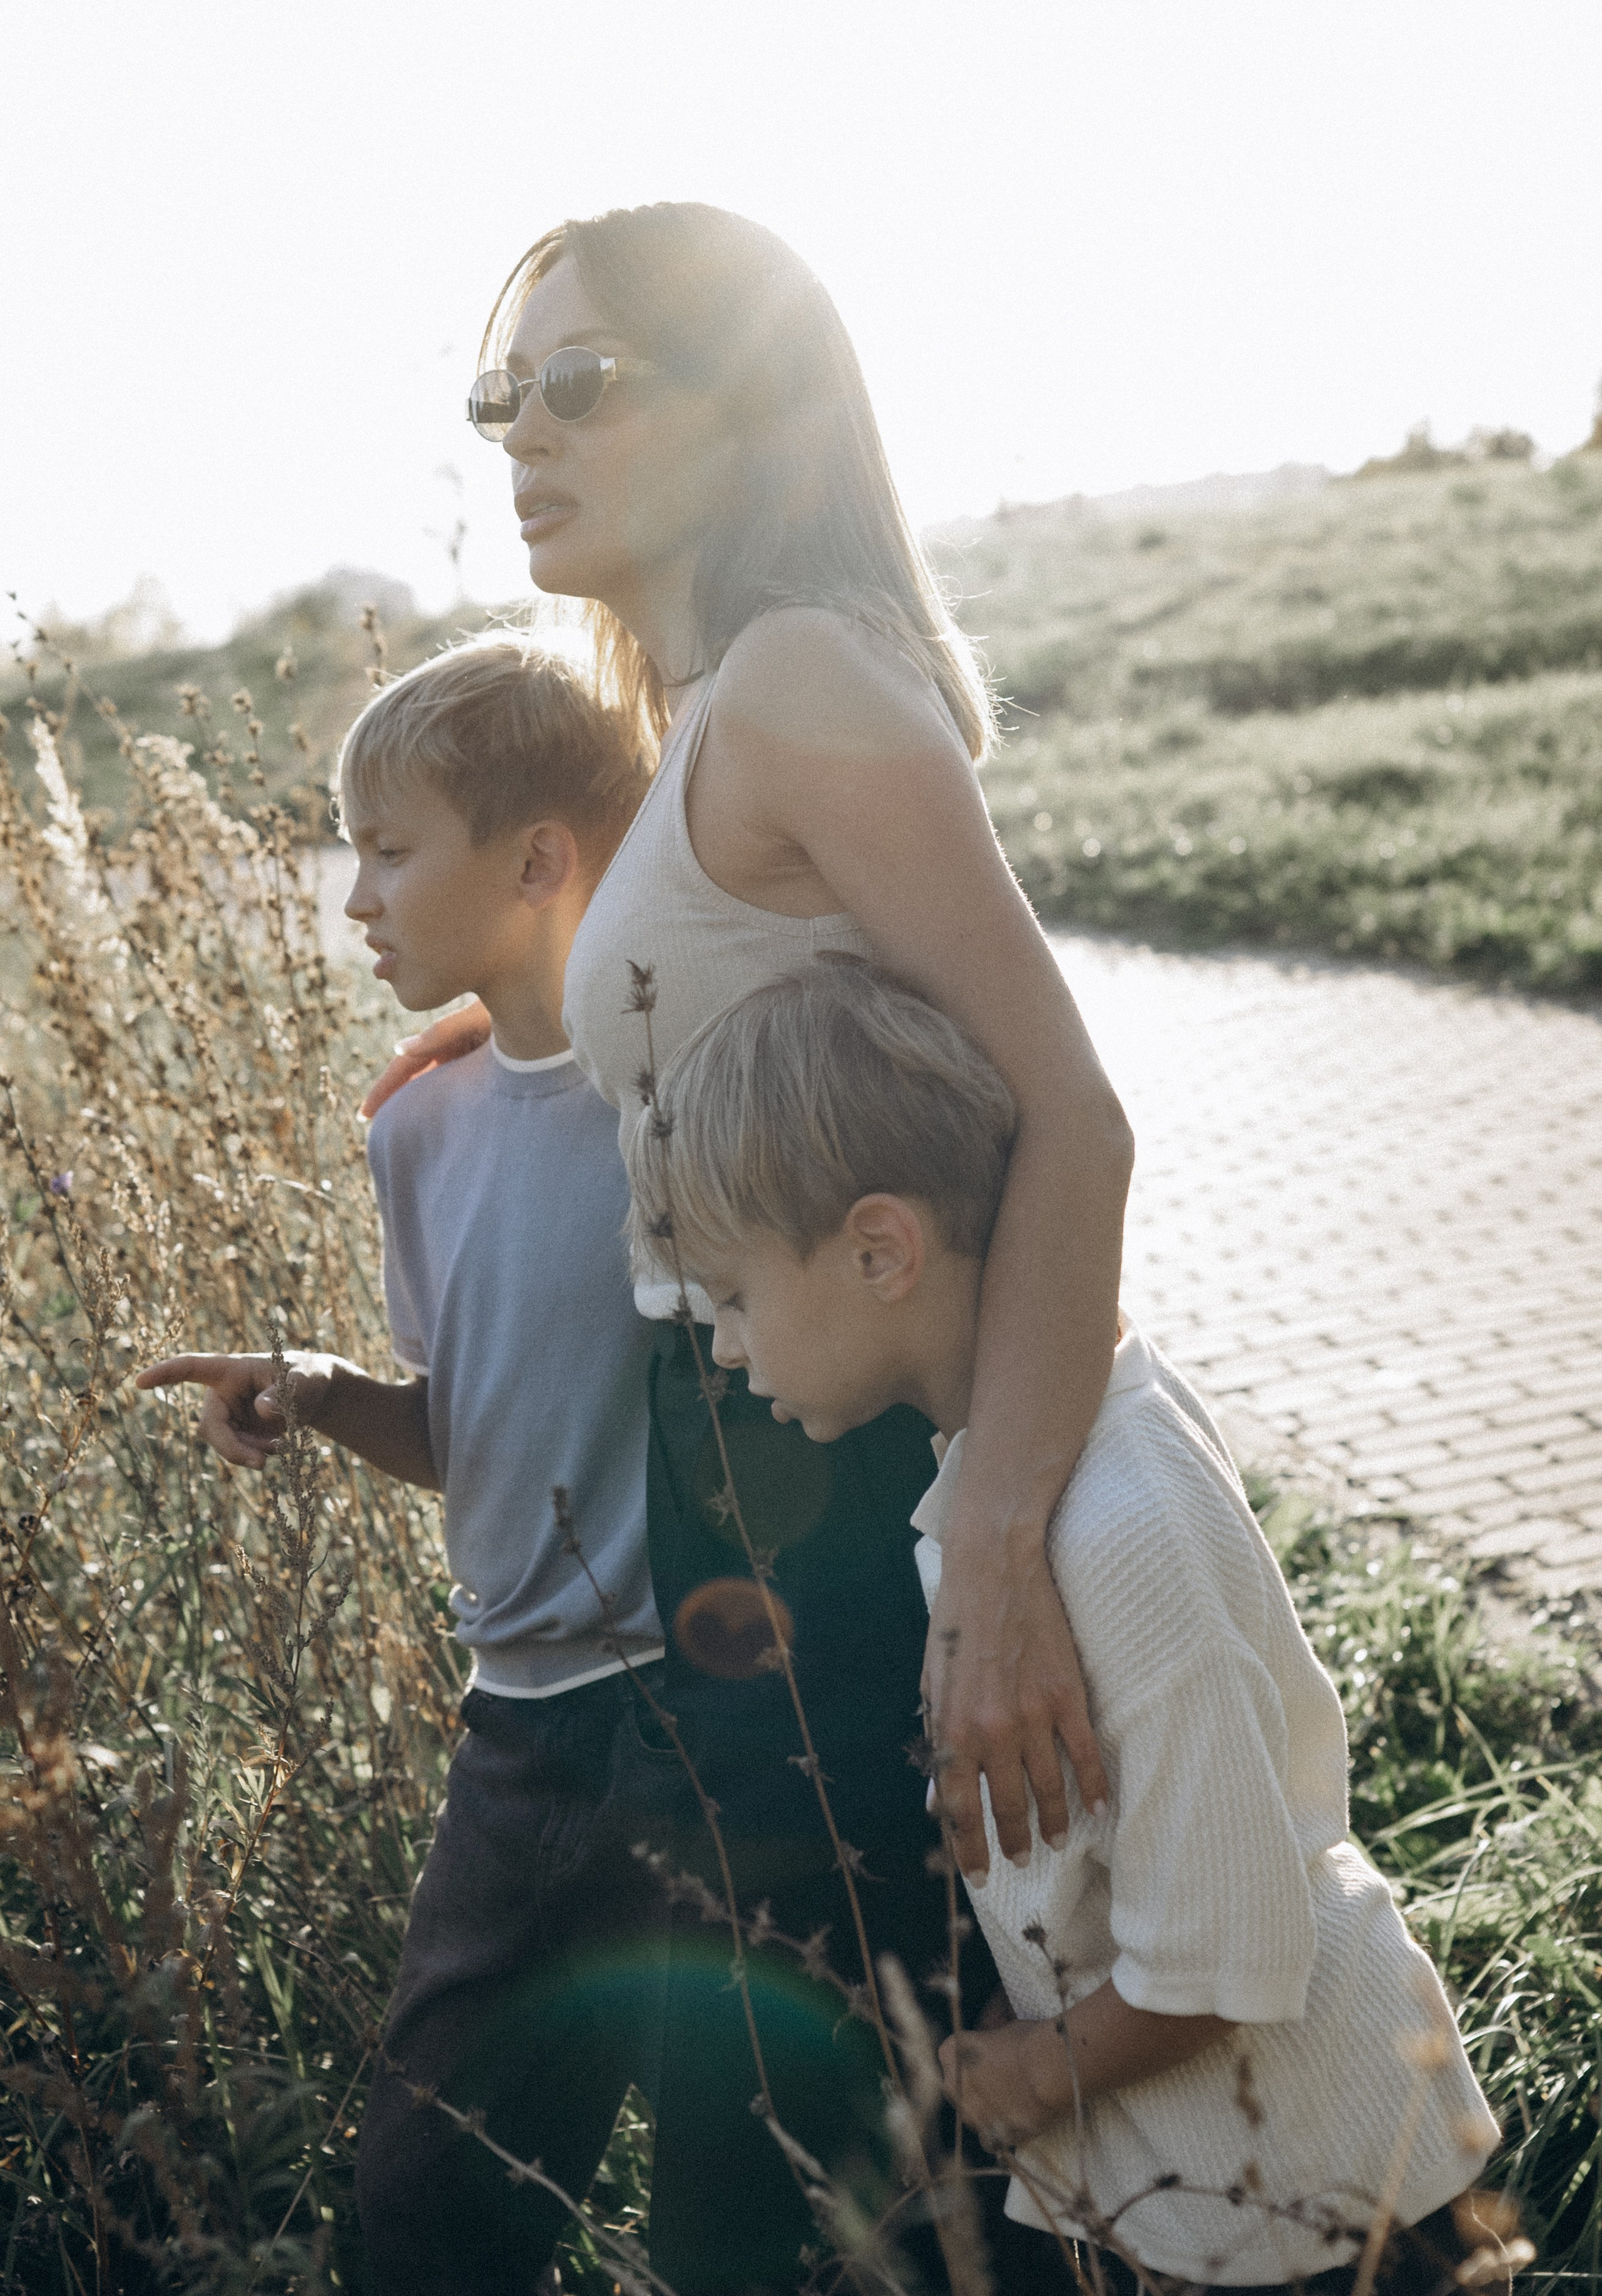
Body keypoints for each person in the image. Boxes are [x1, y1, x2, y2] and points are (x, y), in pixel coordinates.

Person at [366, 199, 1132, 2291]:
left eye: (588, 385)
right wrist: (542, 1024)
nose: (525, 433)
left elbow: (1072, 1113)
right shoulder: (700, 697)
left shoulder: (796, 678)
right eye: (500, 395)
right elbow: (715, 993)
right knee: (803, 2154)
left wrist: (990, 1546)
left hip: (858, 1519)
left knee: (823, 2162)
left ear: (756, 408)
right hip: (735, 1492)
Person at [624, 952, 1506, 2296]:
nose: (725, 1352)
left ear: (879, 1251)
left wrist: (1042, 2065)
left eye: (735, 1299)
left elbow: (1227, 1940)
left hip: (1312, 2198)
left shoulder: (1115, 1530)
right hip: (1203, 2181)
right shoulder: (1020, 1467)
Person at [136, 637, 675, 2296]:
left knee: (776, 2211)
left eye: (388, 849)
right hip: (517, 1740)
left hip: (712, 1728)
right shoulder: (416, 1129)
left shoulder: (682, 1085)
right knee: (427, 2215)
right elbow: (467, 1432)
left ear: (537, 861)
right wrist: (316, 1389)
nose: (352, 898)